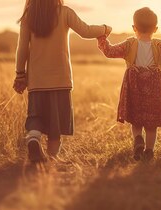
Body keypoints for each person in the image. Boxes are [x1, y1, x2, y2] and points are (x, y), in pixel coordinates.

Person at [13, 0, 112, 162]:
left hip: (37, 81)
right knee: (55, 123)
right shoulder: (65, 12)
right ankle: (52, 159)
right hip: (61, 79)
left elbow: (22, 47)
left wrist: (20, 74)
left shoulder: (29, 15)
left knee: (35, 116)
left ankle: (33, 139)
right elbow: (86, 31)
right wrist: (105, 29)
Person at [97, 7, 161, 161]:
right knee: (151, 122)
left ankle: (137, 140)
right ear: (155, 29)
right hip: (154, 86)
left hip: (133, 84)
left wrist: (102, 36)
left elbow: (109, 51)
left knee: (136, 119)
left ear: (134, 28)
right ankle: (149, 151)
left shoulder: (129, 44)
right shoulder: (159, 45)